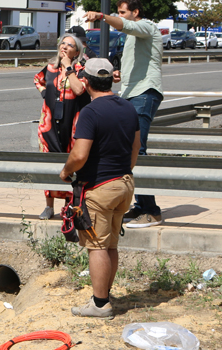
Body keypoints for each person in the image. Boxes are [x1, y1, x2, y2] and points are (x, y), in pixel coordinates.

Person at [60, 58, 141, 318]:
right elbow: (136, 147)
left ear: (86, 80)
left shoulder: (90, 112)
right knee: (111, 244)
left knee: (96, 246)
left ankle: (100, 303)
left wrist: (66, 170)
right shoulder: (128, 108)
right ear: (110, 79)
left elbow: (80, 154)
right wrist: (122, 171)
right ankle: (104, 294)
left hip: (100, 188)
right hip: (125, 184)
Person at [84, 0, 164, 228]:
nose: (119, 16)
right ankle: (141, 204)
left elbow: (124, 25)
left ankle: (151, 211)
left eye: (122, 12)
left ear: (135, 12)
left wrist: (101, 16)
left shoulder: (146, 26)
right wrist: (120, 75)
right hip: (132, 94)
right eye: (117, 12)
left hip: (145, 93)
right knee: (131, 146)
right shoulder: (133, 37)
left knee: (138, 148)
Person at [33, 34, 90, 220]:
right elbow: (38, 80)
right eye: (62, 43)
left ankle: (68, 207)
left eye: (70, 45)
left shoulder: (81, 70)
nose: (64, 46)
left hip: (72, 123)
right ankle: (49, 206)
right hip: (49, 124)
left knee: (70, 163)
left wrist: (68, 67)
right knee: (49, 162)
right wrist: (46, 95)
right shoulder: (50, 68)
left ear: (77, 51)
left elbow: (79, 90)